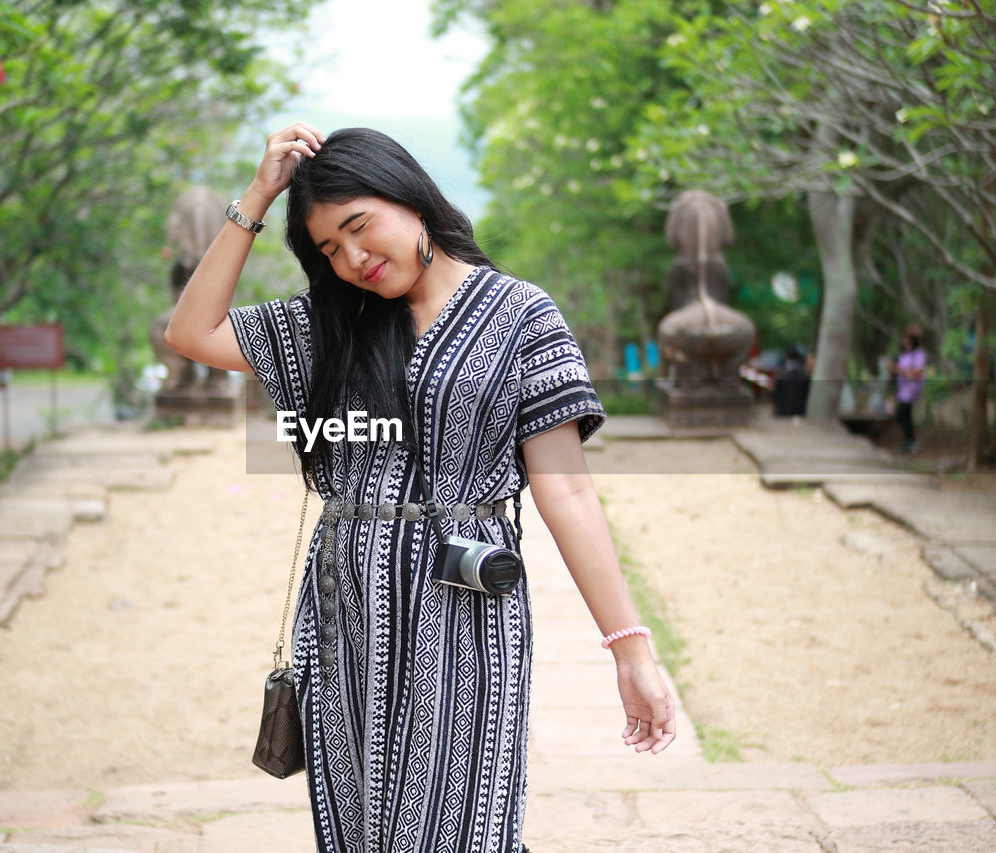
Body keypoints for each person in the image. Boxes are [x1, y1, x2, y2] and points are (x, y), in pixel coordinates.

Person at [164, 123, 675, 852]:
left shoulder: (522, 316)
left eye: (359, 227)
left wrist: (631, 649)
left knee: (461, 826)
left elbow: (568, 494)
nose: (354, 259)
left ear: (410, 197)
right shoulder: (328, 324)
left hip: (466, 609)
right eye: (330, 250)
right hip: (346, 609)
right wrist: (257, 196)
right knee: (360, 828)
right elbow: (191, 332)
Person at [885, 322, 926, 453]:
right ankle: (909, 441)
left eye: (907, 338)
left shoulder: (919, 354)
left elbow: (918, 372)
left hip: (912, 391)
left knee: (902, 414)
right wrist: (892, 369)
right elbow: (898, 370)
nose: (904, 341)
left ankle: (911, 441)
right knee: (904, 415)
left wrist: (898, 370)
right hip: (902, 390)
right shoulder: (904, 355)